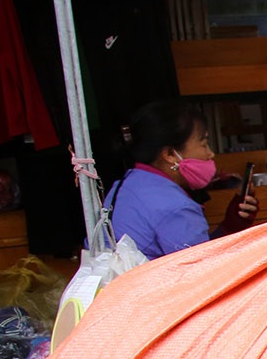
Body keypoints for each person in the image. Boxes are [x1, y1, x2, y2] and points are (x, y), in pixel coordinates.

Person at [106, 100, 259, 259]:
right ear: (170, 154)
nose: (210, 154)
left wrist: (231, 224)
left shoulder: (126, 184)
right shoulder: (175, 206)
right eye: (204, 144)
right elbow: (204, 270)